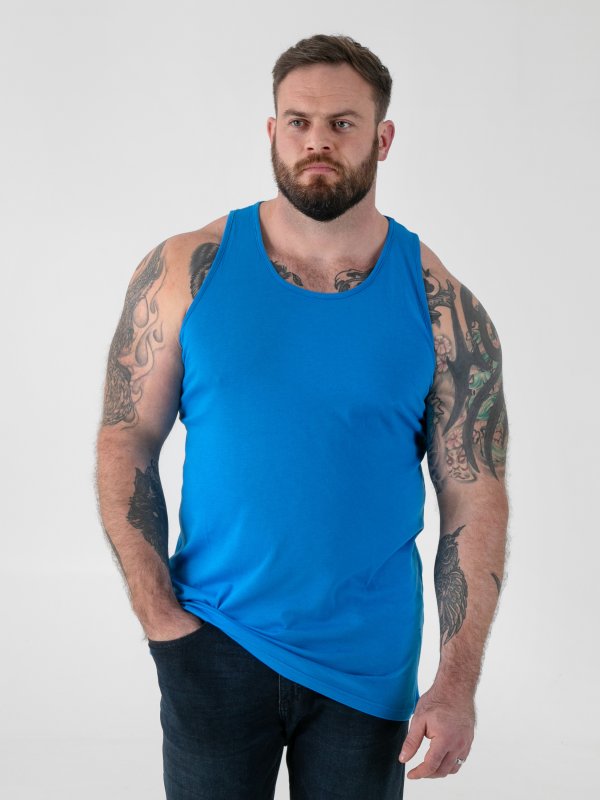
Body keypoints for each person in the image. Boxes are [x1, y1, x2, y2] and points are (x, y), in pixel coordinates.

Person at [95, 33, 509, 799]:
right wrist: (160, 621)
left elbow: (474, 496)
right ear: (273, 131)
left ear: (383, 138)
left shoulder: (443, 306)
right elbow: (127, 439)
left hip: (369, 669)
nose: (318, 140)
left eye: (343, 123)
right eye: (299, 122)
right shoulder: (186, 270)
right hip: (213, 643)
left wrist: (455, 684)